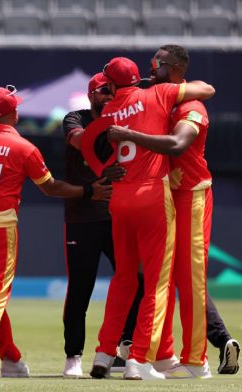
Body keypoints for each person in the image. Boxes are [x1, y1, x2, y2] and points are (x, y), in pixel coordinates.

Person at [0, 86, 110, 378]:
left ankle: (10, 359)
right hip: (0, 226)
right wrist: (88, 191)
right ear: (15, 113)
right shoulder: (23, 147)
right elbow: (51, 188)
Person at [107, 44, 239, 377]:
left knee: (190, 278)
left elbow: (179, 144)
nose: (151, 70)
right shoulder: (158, 100)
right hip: (162, 195)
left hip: (191, 196)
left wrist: (130, 135)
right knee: (158, 277)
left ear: (176, 68)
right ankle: (162, 355)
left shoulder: (191, 106)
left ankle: (196, 360)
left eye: (157, 64)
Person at [60, 73, 143, 378]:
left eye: (112, 91)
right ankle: (73, 356)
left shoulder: (128, 118)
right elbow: (80, 140)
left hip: (117, 216)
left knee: (135, 282)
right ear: (90, 94)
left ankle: (126, 347)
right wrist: (109, 130)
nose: (108, 95)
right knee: (81, 289)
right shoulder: (76, 117)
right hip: (82, 217)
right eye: (102, 91)